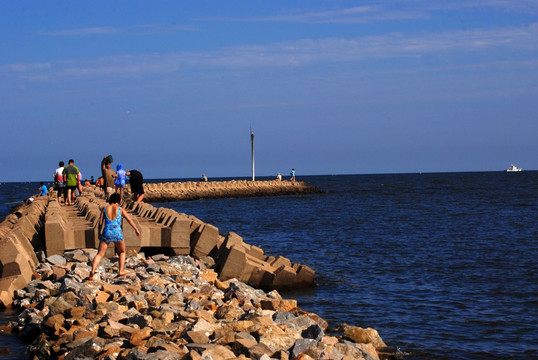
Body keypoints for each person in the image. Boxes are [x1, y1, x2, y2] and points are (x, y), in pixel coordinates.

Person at [89, 193, 140, 280]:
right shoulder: (121, 209)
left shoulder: (104, 209)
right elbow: (129, 219)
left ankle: (93, 270)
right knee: (122, 252)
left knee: (100, 254)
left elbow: (100, 222)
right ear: (118, 200)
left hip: (107, 232)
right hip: (117, 232)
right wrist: (136, 229)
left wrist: (99, 233)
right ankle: (121, 270)